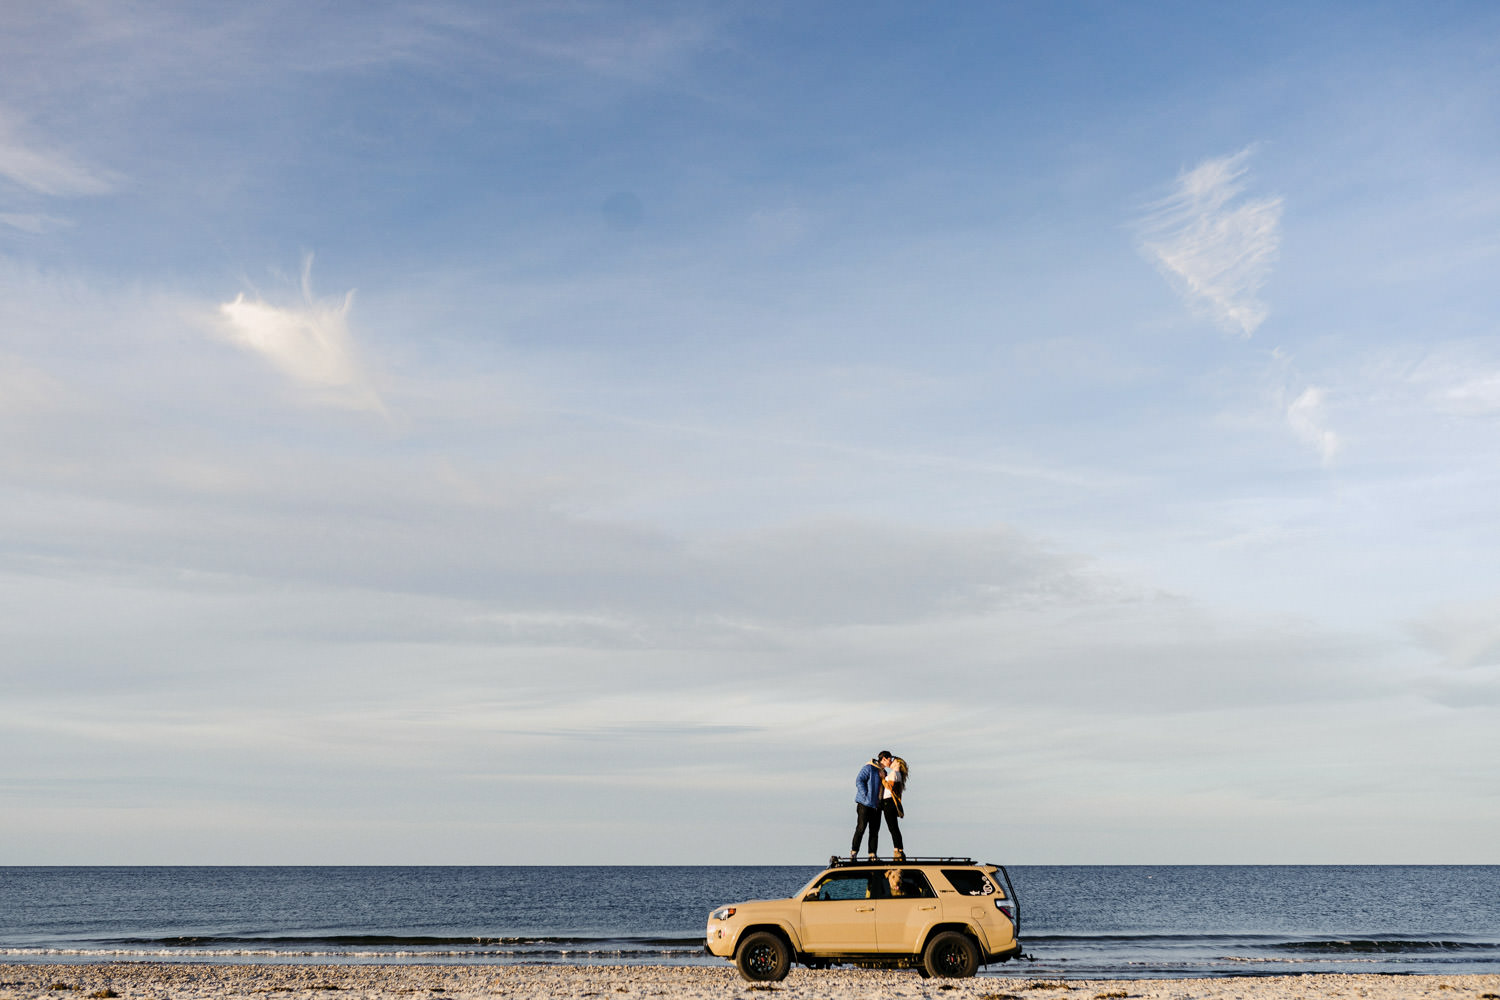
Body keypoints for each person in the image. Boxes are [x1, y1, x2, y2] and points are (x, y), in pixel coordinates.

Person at [850, 751, 891, 860]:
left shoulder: (884, 772)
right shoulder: (869, 768)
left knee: (874, 830)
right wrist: (866, 795)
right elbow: (859, 780)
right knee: (861, 828)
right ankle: (854, 852)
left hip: (877, 806)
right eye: (889, 759)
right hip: (865, 804)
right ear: (884, 759)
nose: (890, 762)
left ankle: (872, 854)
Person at [881, 753, 909, 861]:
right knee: (894, 828)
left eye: (893, 760)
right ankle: (898, 849)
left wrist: (883, 779)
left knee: (893, 828)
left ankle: (897, 850)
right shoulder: (897, 773)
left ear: (897, 763)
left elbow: (890, 787)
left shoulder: (894, 773)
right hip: (890, 802)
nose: (891, 761)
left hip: (889, 802)